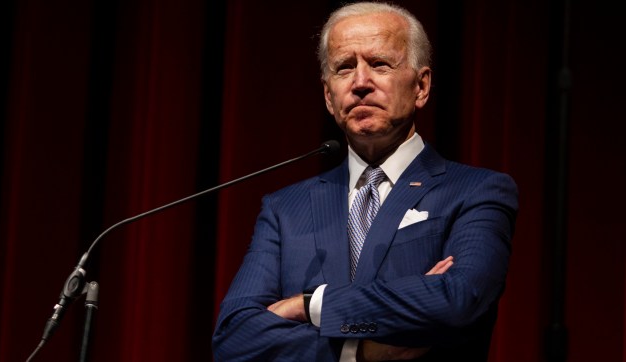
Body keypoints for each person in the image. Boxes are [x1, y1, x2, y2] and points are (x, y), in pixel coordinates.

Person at [212, 2, 518, 361]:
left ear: (421, 86)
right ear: (329, 97)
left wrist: (311, 305)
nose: (360, 83)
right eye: (344, 68)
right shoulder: (285, 210)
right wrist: (359, 352)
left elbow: (458, 300)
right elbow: (234, 339)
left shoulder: (475, 191)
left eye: (379, 64)